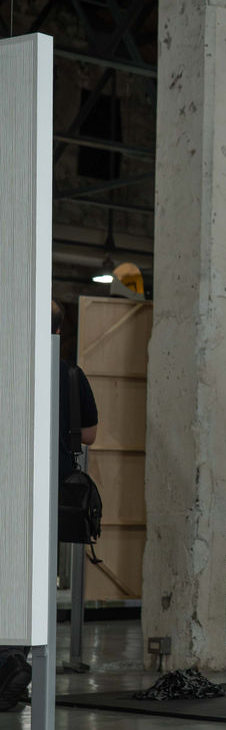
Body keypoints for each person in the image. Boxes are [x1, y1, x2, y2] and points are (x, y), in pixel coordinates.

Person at [0, 302, 100, 712]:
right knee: (31, 578)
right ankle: (13, 661)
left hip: (9, 483)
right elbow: (89, 435)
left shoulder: (11, 366)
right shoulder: (71, 375)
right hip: (51, 490)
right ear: (60, 330)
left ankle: (8, 661)